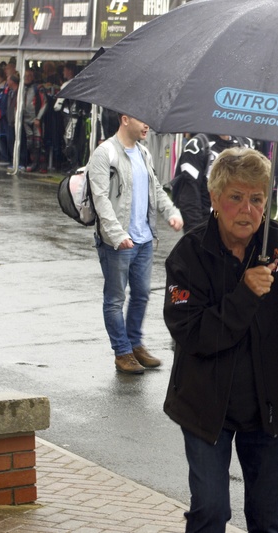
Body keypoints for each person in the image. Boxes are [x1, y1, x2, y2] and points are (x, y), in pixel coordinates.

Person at [163, 147, 278, 532]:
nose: (247, 209)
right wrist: (245, 294)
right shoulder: (189, 255)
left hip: (272, 410)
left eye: (257, 199)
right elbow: (193, 334)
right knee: (209, 512)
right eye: (236, 197)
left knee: (269, 521)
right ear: (215, 199)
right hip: (205, 409)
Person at [87, 113, 183, 374]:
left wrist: (171, 212)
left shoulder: (144, 153)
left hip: (144, 239)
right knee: (115, 298)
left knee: (141, 294)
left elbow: (156, 189)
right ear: (125, 119)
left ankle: (135, 344)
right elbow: (101, 199)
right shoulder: (105, 153)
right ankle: (122, 352)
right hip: (116, 243)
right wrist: (118, 234)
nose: (147, 124)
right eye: (142, 119)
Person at [171, 133, 248, 232]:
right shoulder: (197, 146)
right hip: (207, 225)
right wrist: (196, 234)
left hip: (235, 226)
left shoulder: (245, 145)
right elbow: (189, 196)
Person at [22, 68, 46, 172]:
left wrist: (38, 118)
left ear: (33, 77)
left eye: (29, 76)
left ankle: (40, 165)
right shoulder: (22, 88)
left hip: (36, 120)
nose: (27, 78)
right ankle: (32, 163)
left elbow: (45, 103)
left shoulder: (39, 88)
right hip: (25, 119)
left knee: (38, 143)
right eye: (25, 76)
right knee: (29, 143)